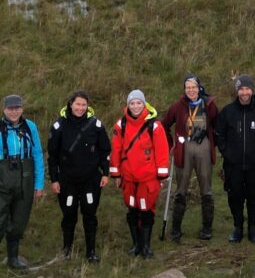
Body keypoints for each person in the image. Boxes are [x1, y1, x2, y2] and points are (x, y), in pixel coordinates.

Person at [0, 94, 45, 278]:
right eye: (10, 108)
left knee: (19, 221)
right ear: (4, 110)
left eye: (17, 108)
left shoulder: (31, 127)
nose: (14, 111)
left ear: (22, 109)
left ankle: (13, 258)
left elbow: (38, 154)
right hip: (0, 183)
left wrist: (39, 184)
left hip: (25, 181)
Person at [47, 90, 111, 263]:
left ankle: (91, 252)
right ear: (70, 104)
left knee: (90, 215)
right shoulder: (59, 126)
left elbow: (105, 150)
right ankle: (66, 250)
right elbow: (52, 156)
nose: (81, 108)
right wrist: (54, 179)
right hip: (67, 180)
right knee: (69, 215)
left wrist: (105, 173)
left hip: (91, 179)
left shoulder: (96, 125)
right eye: (78, 104)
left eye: (84, 105)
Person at [214, 74, 255, 244]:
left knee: (254, 196)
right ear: (237, 91)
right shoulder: (228, 112)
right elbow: (218, 134)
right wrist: (226, 152)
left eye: (247, 89)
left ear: (252, 90)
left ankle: (252, 228)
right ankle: (237, 228)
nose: (244, 92)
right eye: (241, 89)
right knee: (235, 197)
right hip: (233, 165)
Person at [110, 90, 170, 258]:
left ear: (144, 104)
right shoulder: (120, 125)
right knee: (132, 210)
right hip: (128, 178)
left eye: (139, 103)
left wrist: (162, 176)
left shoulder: (154, 126)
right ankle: (136, 244)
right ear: (127, 105)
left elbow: (162, 151)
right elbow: (116, 150)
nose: (135, 106)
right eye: (132, 103)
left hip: (148, 179)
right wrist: (116, 174)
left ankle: (146, 246)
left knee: (146, 210)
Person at [160, 75, 220, 241]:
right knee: (181, 189)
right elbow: (164, 125)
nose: (191, 90)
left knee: (206, 188)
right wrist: (171, 143)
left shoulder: (209, 104)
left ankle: (207, 228)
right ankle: (176, 229)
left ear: (199, 88)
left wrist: (213, 143)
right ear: (184, 89)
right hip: (183, 149)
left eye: (194, 87)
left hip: (203, 147)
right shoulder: (177, 106)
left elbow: (218, 124)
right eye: (188, 88)